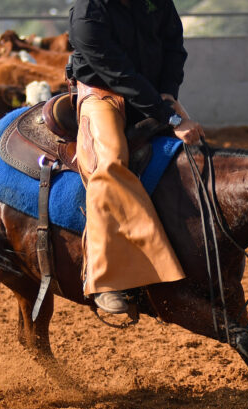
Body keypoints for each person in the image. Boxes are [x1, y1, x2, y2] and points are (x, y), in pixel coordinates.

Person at [67, 0, 204, 315]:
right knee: (110, 163)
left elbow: (174, 46)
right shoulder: (88, 8)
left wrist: (168, 93)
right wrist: (168, 117)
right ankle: (104, 279)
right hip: (101, 93)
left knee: (201, 151)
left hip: (154, 94)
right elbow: (114, 71)